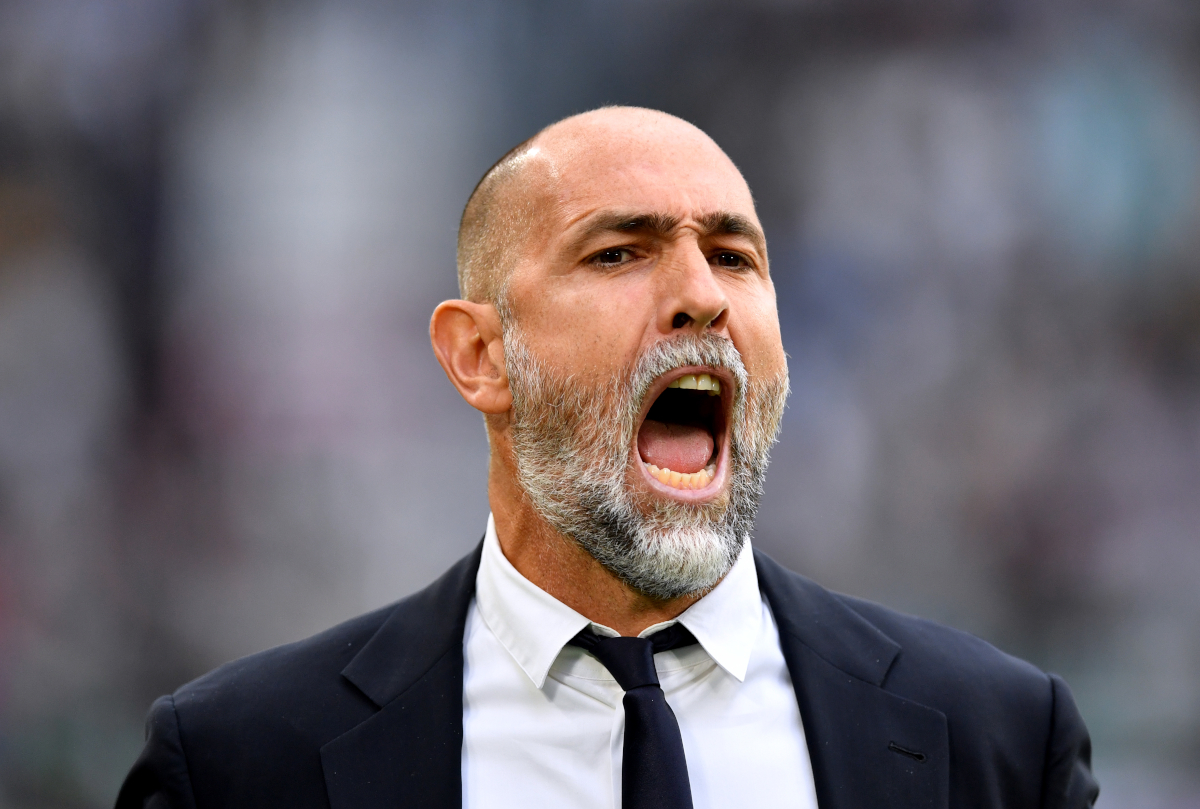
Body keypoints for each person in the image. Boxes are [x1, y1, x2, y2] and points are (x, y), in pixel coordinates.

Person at [116, 107, 1099, 809]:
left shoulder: (997, 740)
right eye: (620, 252)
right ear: (481, 355)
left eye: (735, 255)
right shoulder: (241, 762)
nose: (700, 294)